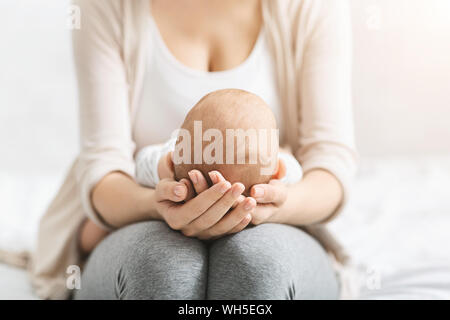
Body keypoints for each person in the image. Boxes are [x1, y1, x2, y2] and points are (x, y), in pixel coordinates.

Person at [31, 0, 357, 300]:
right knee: (163, 265)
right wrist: (162, 202)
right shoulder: (107, 7)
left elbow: (330, 166)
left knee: (256, 263)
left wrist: (274, 205)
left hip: (275, 221)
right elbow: (103, 168)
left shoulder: (312, 7)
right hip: (136, 213)